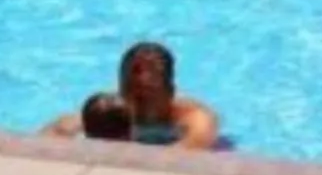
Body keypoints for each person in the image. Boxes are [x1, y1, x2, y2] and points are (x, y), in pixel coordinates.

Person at [45, 42, 221, 150]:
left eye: (146, 98)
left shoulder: (195, 119)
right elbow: (51, 135)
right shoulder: (112, 112)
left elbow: (186, 155)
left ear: (170, 93)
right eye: (129, 92)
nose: (134, 105)